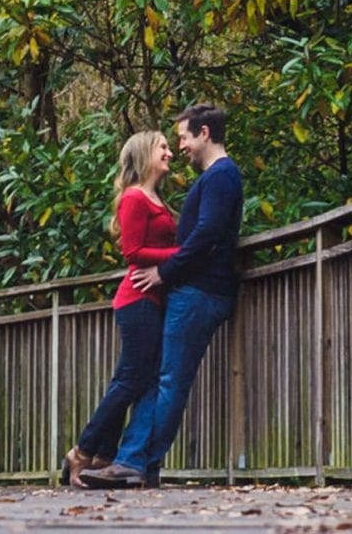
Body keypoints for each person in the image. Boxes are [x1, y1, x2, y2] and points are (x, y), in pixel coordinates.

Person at [81, 103, 244, 488]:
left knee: (167, 380)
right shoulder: (213, 178)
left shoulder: (222, 176)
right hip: (192, 290)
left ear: (205, 133)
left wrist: (164, 272)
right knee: (159, 378)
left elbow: (206, 236)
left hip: (200, 291)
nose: (180, 145)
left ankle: (135, 462)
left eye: (185, 136)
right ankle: (132, 461)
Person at [62, 130, 180, 487]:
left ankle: (102, 455)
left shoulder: (155, 197)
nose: (170, 153)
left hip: (153, 299)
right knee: (131, 379)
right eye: (163, 146)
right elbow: (132, 253)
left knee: (135, 379)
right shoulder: (134, 198)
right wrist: (182, 257)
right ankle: (81, 451)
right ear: (145, 153)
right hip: (137, 299)